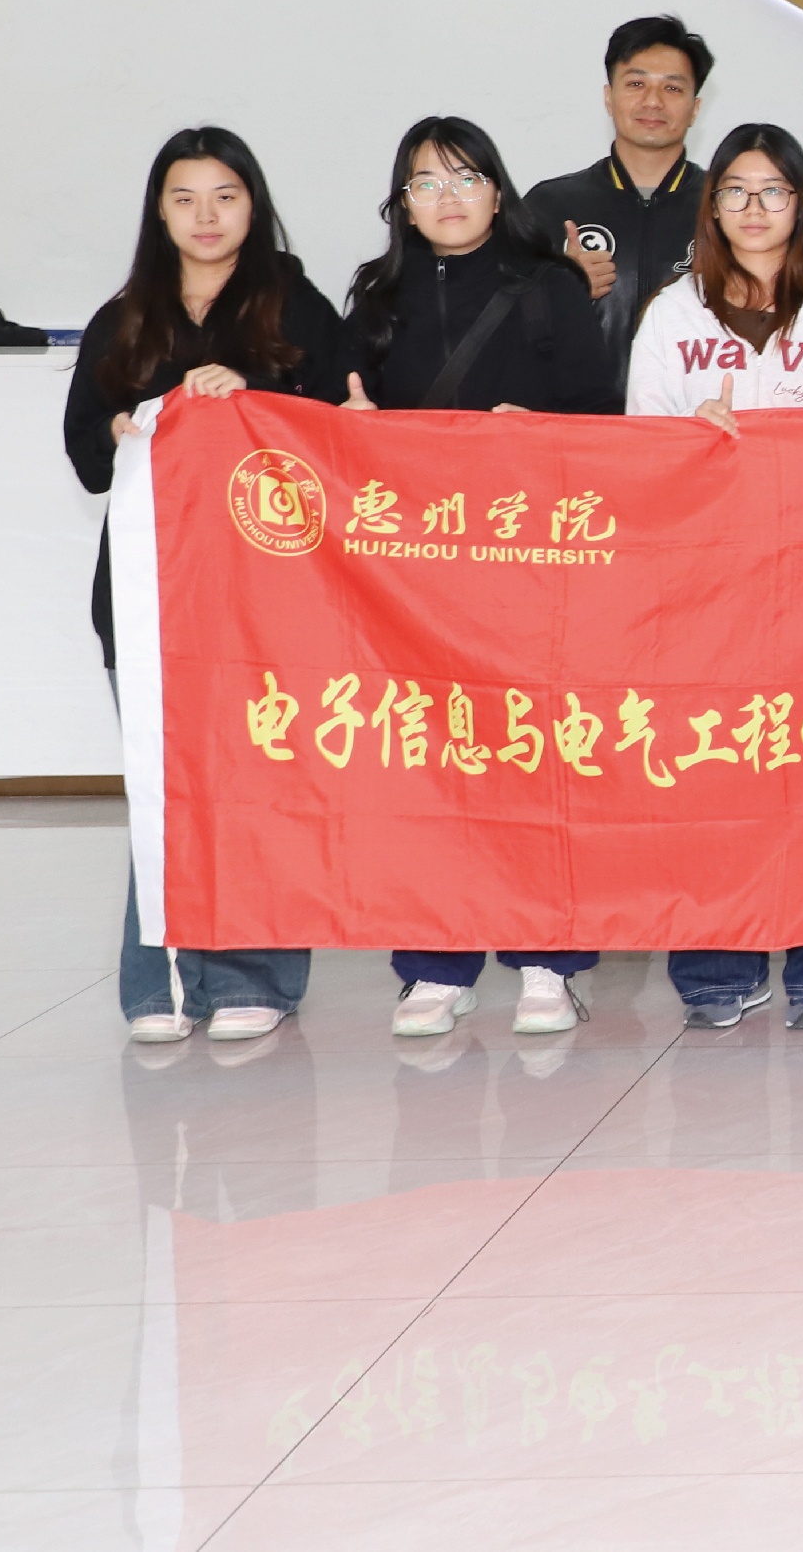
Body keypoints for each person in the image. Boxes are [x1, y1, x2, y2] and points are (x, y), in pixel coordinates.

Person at [66, 128, 351, 1046]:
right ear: (159, 211)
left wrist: (257, 391)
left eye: (225, 196)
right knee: (166, 788)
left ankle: (250, 978)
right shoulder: (124, 319)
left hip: (270, 605)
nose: (206, 216)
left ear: (252, 205)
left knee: (260, 785)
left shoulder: (294, 305)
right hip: (149, 601)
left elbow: (343, 430)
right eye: (185, 198)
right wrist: (124, 428)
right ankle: (157, 984)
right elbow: (84, 455)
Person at [341, 116, 615, 1036]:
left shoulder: (548, 286)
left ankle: (548, 960)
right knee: (426, 766)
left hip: (529, 569)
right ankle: (434, 965)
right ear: (403, 205)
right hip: (412, 584)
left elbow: (601, 416)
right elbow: (334, 420)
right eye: (426, 183)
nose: (448, 197)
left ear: (499, 193)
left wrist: (536, 432)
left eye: (465, 178)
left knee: (538, 761)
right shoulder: (375, 296)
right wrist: (348, 427)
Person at [625, 122, 803, 1032]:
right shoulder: (672, 315)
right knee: (712, 776)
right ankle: (714, 968)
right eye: (735, 190)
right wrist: (687, 442)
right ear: (712, 206)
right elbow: (636, 459)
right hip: (705, 589)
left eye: (774, 190)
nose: (753, 207)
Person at [521, 15, 712, 401]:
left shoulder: (729, 207)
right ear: (608, 97)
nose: (653, 101)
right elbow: (495, 328)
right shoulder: (549, 205)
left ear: (695, 108)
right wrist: (558, 290)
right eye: (636, 84)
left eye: (672, 88)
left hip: (692, 425)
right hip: (576, 425)